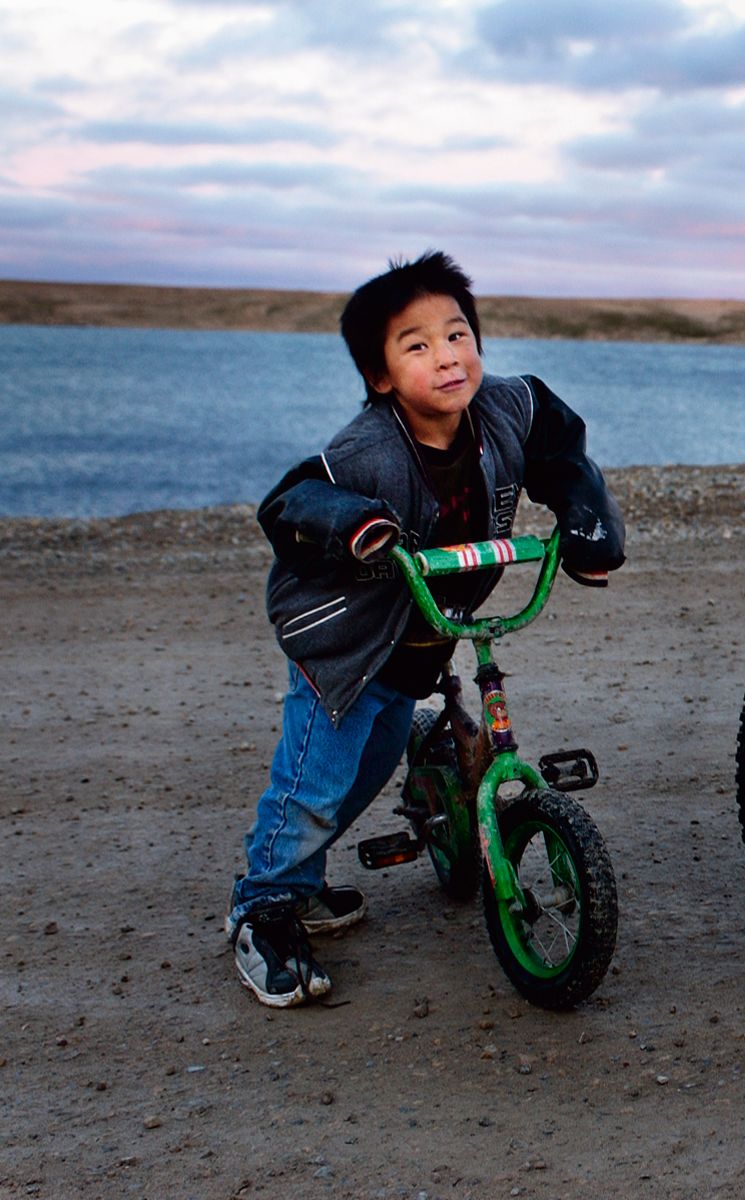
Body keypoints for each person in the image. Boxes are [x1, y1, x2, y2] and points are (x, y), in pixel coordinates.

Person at [227, 250, 626, 1008]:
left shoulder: (508, 409)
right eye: (416, 346)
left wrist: (585, 523)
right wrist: (356, 524)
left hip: (422, 636)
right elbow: (289, 502)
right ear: (381, 377)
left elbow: (561, 447)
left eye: (457, 336)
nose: (446, 357)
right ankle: (264, 905)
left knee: (371, 767)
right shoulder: (365, 452)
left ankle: (301, 872)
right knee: (316, 782)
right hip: (344, 646)